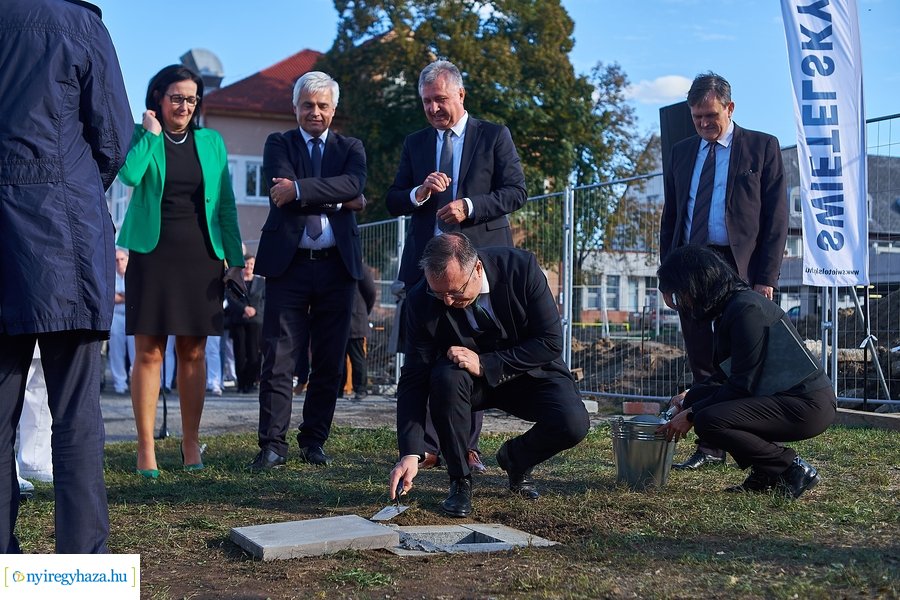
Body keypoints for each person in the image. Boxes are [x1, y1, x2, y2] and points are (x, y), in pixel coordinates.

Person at [0, 0, 133, 553]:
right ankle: (82, 567)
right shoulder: (79, 22)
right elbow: (114, 135)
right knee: (76, 413)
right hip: (65, 236)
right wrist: (70, 180)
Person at [385, 59, 527, 474]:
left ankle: (465, 445)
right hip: (427, 267)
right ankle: (427, 446)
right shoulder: (415, 143)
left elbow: (516, 192)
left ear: (461, 95)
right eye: (426, 101)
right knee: (424, 352)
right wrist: (419, 192)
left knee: (471, 351)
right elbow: (393, 198)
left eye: (440, 99)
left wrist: (469, 206)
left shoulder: (494, 136)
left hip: (476, 266)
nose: (432, 109)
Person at [388, 233, 589, 517]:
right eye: (439, 293)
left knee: (573, 423)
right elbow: (413, 378)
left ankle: (516, 458)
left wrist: (487, 364)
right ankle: (460, 481)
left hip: (529, 371)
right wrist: (410, 451)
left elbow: (550, 341)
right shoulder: (421, 299)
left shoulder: (521, 269)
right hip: (467, 382)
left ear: (477, 269)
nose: (446, 302)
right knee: (444, 377)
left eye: (455, 292)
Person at [117, 64, 245, 477]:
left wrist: (236, 261)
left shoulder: (212, 142)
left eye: (192, 99)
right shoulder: (144, 137)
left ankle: (191, 443)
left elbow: (225, 203)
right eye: (177, 97)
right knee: (148, 351)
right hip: (151, 254)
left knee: (192, 350)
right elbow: (130, 174)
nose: (185, 105)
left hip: (201, 255)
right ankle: (145, 448)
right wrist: (151, 134)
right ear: (158, 97)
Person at [659, 72, 787, 471]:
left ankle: (745, 441)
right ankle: (709, 445)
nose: (703, 124)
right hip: (692, 264)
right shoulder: (681, 152)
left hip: (738, 266)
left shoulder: (762, 148)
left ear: (729, 108)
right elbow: (672, 215)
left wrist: (765, 278)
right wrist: (668, 275)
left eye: (710, 116)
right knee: (700, 354)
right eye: (697, 117)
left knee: (737, 357)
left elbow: (776, 221)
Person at [249, 71, 367, 472]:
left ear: (333, 109)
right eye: (307, 105)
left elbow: (353, 182)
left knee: (330, 362)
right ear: (294, 107)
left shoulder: (351, 146)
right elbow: (284, 190)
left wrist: (300, 190)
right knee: (278, 359)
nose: (314, 112)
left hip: (337, 267)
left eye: (322, 105)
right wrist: (341, 198)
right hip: (289, 266)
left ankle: (313, 440)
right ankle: (272, 446)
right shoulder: (278, 143)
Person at [656, 246, 836, 498]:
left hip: (806, 404)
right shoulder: (732, 308)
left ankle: (788, 467)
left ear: (695, 284)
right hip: (783, 398)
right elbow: (730, 373)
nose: (680, 303)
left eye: (679, 294)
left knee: (708, 420)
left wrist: (691, 415)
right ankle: (767, 470)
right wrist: (688, 398)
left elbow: (743, 385)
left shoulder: (746, 310)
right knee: (697, 399)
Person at [226, 255, 266, 394]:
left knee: (254, 353)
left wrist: (254, 311)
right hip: (239, 321)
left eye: (252, 264)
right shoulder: (235, 281)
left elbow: (264, 301)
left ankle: (251, 381)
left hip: (256, 322)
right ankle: (241, 383)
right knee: (240, 353)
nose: (249, 267)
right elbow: (230, 299)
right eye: (247, 264)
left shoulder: (261, 282)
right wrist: (243, 309)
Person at [344, 266, 376, 400]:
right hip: (338, 321)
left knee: (357, 358)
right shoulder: (336, 265)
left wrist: (363, 312)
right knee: (337, 359)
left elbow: (370, 293)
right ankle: (339, 388)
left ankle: (361, 389)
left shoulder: (360, 268)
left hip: (355, 321)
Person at [109, 249, 135, 395]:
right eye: (116, 260)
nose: (119, 263)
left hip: (131, 314)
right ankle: (120, 383)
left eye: (122, 259)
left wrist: (122, 296)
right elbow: (111, 298)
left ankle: (135, 380)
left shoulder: (133, 274)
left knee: (135, 350)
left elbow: (135, 296)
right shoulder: (111, 276)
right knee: (116, 350)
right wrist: (126, 297)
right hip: (117, 316)